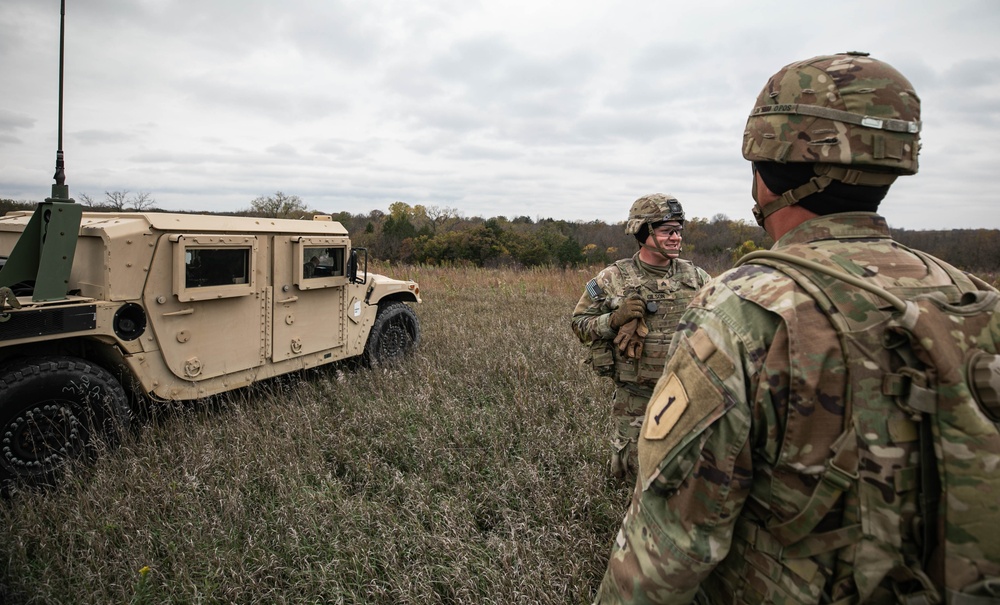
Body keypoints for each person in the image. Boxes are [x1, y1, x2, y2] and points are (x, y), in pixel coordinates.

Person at [595, 52, 1000, 603]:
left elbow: (670, 547)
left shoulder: (741, 309)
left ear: (764, 173)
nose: (674, 236)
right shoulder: (974, 299)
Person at [572, 194, 710, 482]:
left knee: (689, 475)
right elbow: (579, 324)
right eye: (667, 231)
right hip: (636, 399)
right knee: (632, 477)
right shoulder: (613, 278)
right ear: (643, 232)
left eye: (679, 231)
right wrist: (613, 320)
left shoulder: (696, 277)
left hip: (687, 396)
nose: (675, 238)